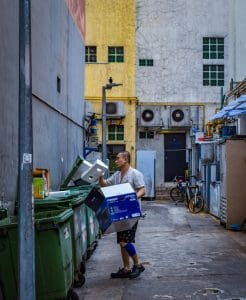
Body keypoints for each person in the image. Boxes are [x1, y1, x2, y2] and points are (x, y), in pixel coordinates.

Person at [99, 151, 145, 279]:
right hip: (120, 213)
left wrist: (131, 198)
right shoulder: (117, 175)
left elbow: (142, 189)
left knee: (125, 241)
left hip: (132, 213)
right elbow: (104, 184)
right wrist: (99, 176)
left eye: (118, 158)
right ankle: (126, 268)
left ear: (125, 159)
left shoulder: (135, 174)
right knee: (122, 242)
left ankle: (138, 264)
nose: (116, 160)